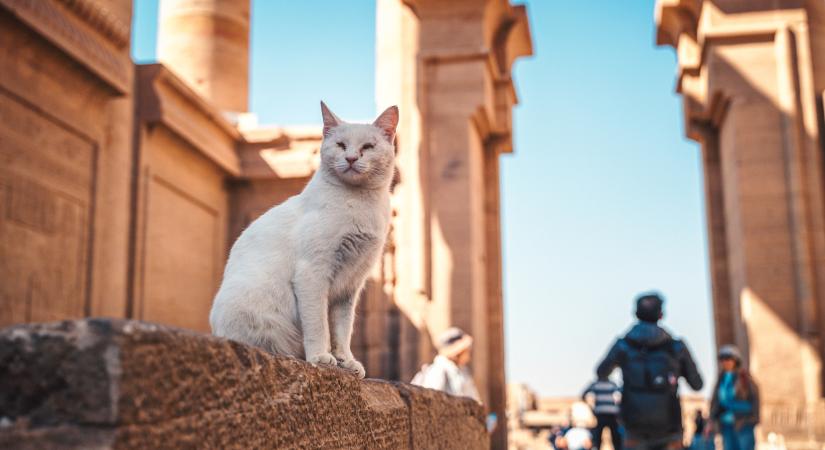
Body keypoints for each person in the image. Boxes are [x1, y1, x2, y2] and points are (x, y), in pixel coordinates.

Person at [596, 292, 704, 450]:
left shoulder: (623, 346)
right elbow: (697, 384)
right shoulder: (676, 347)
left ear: (636, 314)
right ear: (661, 314)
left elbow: (601, 372)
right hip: (669, 425)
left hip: (634, 424)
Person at [709, 345, 759, 450]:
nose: (724, 362)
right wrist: (712, 419)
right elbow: (716, 401)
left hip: (743, 424)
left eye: (727, 358)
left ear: (735, 360)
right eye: (722, 359)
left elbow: (754, 400)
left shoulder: (744, 378)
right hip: (726, 425)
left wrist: (753, 419)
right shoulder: (721, 379)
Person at [411, 327, 480, 401]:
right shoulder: (438, 371)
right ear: (458, 353)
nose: (468, 355)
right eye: (466, 351)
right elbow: (433, 401)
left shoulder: (462, 372)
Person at [582, 376, 622, 450]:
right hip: (602, 413)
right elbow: (584, 395)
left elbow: (621, 394)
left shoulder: (610, 383)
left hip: (610, 413)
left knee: (614, 436)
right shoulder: (597, 384)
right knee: (599, 436)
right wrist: (592, 408)